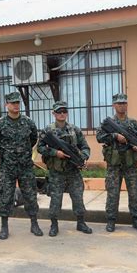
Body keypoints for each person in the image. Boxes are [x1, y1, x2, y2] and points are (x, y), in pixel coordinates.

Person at [0, 91, 43, 240]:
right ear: (6, 105)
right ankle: (4, 227)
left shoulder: (28, 122)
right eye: (13, 103)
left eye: (17, 103)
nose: (16, 106)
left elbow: (33, 139)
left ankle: (34, 224)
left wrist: (22, 153)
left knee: (30, 195)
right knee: (6, 196)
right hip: (7, 167)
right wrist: (7, 153)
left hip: (25, 166)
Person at [37, 101, 92, 236]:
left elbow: (85, 147)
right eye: (59, 111)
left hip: (73, 171)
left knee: (78, 197)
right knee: (56, 199)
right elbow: (40, 147)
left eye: (64, 111)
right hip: (56, 172)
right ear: (53, 113)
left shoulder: (75, 129)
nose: (62, 114)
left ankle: (81, 222)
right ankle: (54, 225)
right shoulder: (48, 130)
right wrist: (55, 153)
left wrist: (83, 158)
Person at [96, 94, 137, 233]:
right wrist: (114, 136)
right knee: (112, 194)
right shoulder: (108, 123)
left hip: (131, 165)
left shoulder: (134, 124)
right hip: (114, 165)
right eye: (119, 104)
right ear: (114, 105)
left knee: (134, 193)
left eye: (124, 103)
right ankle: (111, 220)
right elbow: (99, 137)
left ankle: (136, 220)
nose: (122, 106)